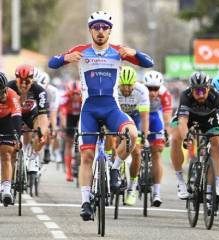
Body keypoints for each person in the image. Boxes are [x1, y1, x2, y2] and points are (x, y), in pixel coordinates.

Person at [48, 10, 154, 221]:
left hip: (111, 107)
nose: (100, 31)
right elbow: (52, 62)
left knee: (132, 134)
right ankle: (86, 202)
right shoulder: (81, 50)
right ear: (90, 30)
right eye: (96, 27)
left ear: (110, 31)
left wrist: (134, 52)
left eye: (104, 27)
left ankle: (115, 169)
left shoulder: (118, 51)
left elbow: (148, 63)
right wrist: (65, 58)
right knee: (87, 156)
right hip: (89, 109)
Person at [170, 72, 219, 200]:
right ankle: (181, 183)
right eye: (196, 91)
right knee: (176, 137)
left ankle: (214, 189)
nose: (200, 94)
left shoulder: (216, 97)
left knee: (217, 143)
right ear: (191, 89)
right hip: (189, 119)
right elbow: (182, 121)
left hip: (208, 120)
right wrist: (186, 137)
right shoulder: (185, 96)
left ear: (208, 88)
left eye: (203, 90)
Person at [117, 66, 150, 206]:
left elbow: (144, 117)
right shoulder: (113, 90)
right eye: (122, 86)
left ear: (134, 84)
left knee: (136, 152)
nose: (125, 89)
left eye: (128, 86)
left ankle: (132, 187)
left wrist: (144, 135)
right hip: (119, 116)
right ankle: (115, 169)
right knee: (113, 141)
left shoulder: (141, 90)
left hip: (135, 118)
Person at [8, 64, 50, 174]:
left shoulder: (39, 90)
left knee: (43, 132)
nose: (23, 84)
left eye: (27, 81)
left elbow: (43, 115)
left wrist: (41, 134)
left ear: (32, 80)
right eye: (20, 81)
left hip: (32, 115)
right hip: (13, 116)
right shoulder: (8, 88)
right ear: (16, 79)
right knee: (10, 147)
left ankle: (33, 157)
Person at [143, 70, 172, 206]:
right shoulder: (138, 90)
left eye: (156, 89)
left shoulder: (165, 94)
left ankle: (157, 192)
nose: (152, 92)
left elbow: (167, 116)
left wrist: (166, 133)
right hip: (140, 115)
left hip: (155, 117)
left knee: (158, 151)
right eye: (149, 88)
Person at [0, 72, 22, 206]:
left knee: (7, 153)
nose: (2, 95)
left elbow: (17, 116)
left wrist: (16, 136)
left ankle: (7, 189)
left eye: (3, 91)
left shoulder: (12, 94)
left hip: (8, 121)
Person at [34, 68, 60, 164]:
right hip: (34, 109)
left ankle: (47, 149)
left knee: (48, 128)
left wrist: (53, 128)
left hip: (47, 110)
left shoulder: (53, 92)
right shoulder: (32, 88)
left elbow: (53, 113)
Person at [59, 80, 82, 181]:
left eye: (77, 94)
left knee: (82, 141)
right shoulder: (65, 98)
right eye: (73, 94)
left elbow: (85, 115)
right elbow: (63, 115)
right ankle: (69, 172)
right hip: (69, 117)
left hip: (80, 116)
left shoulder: (84, 98)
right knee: (69, 142)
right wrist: (64, 128)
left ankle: (79, 164)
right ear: (69, 93)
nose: (75, 96)